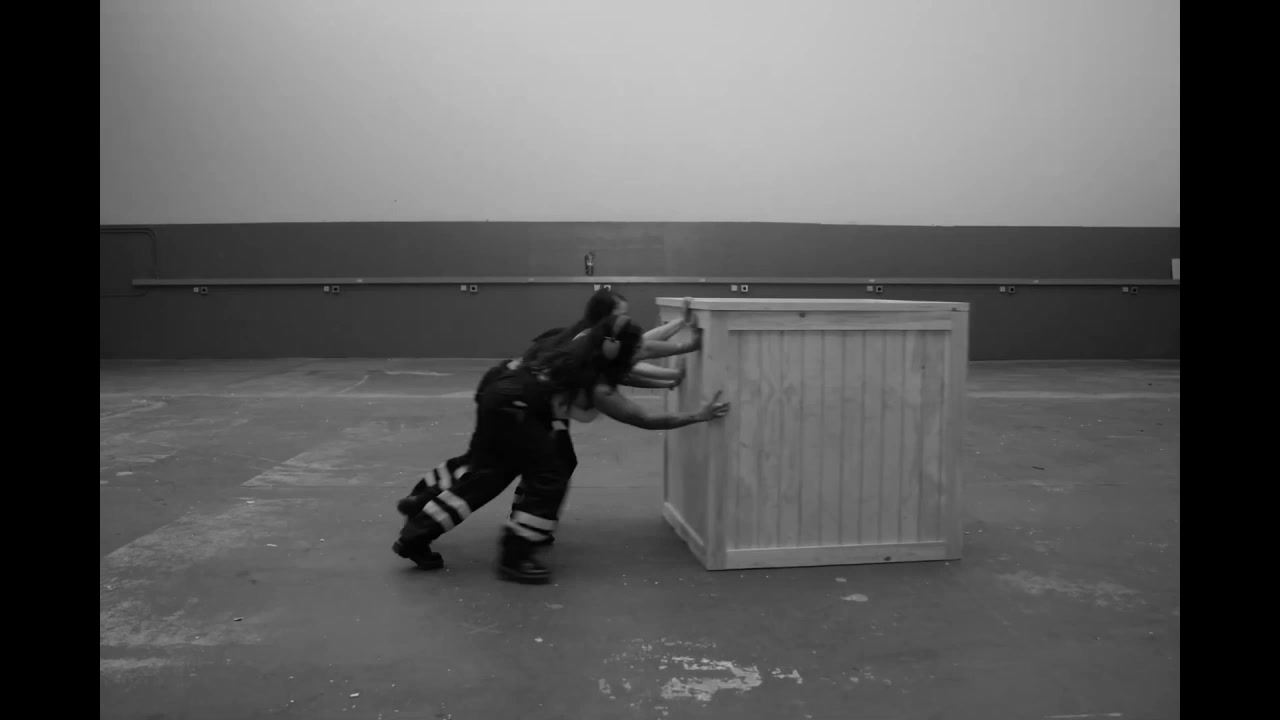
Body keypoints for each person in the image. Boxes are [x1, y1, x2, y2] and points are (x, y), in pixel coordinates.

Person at [393, 313, 729, 584]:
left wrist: (686, 345)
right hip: (518, 408)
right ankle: (516, 554)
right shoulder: (595, 381)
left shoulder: (591, 342)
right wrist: (698, 415)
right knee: (542, 476)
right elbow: (642, 417)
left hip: (504, 390)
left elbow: (641, 349)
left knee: (507, 467)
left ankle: (419, 524)